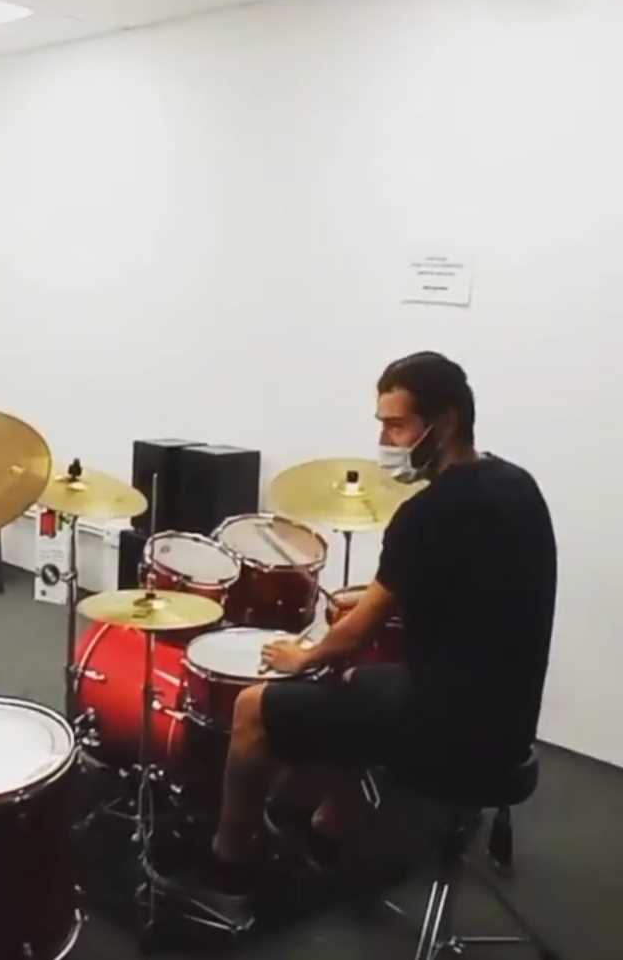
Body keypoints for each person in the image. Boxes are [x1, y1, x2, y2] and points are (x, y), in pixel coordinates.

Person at [184, 352, 557, 913]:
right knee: (359, 680)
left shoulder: (426, 514)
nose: (384, 441)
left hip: (450, 737)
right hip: (509, 725)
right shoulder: (517, 485)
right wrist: (377, 598)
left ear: (445, 423)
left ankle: (229, 857)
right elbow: (467, 583)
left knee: (254, 707)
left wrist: (302, 655)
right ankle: (329, 825)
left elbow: (354, 633)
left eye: (396, 425)